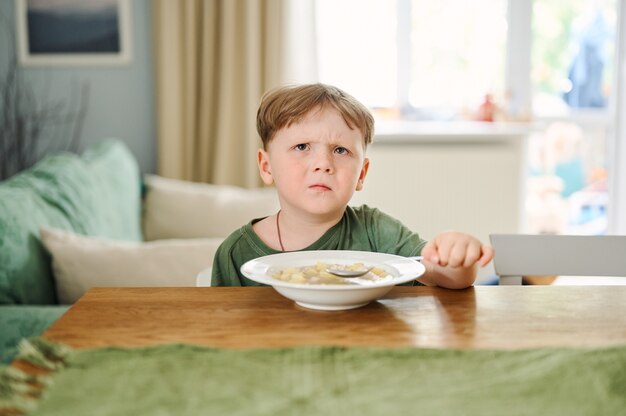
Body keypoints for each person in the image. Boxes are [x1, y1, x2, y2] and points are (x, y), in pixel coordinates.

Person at [211, 83, 493, 288]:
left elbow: (440, 276)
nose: (323, 163)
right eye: (301, 146)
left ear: (361, 174)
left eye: (341, 151)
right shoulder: (236, 253)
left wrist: (456, 258)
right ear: (266, 166)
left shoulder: (376, 230)